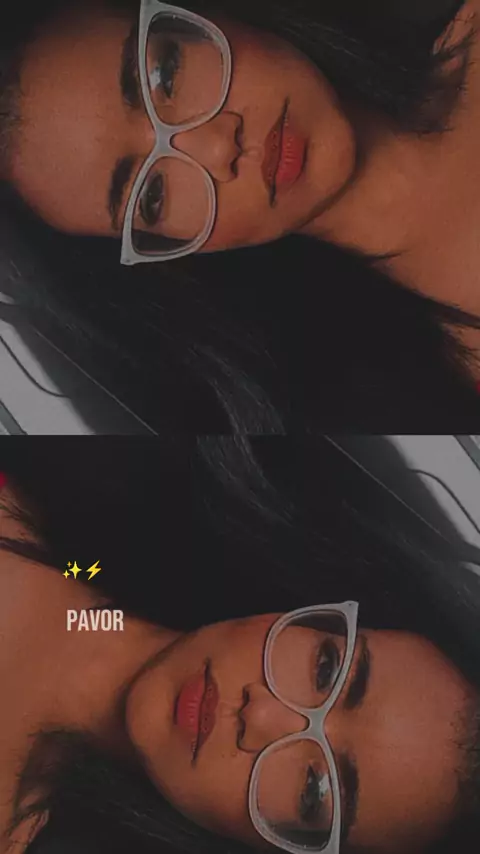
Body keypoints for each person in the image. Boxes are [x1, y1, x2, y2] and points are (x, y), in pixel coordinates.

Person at [1, 0, 480, 433]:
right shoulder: (402, 406)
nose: (217, 147)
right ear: (172, 254)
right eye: (152, 195)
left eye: (165, 75)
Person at [0, 436, 479, 854]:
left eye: (314, 790)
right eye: (327, 669)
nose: (262, 715)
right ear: (311, 609)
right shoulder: (69, 519)